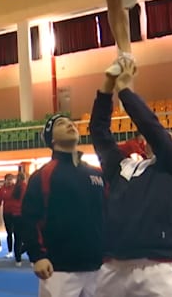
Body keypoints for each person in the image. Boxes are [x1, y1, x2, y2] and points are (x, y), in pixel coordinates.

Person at [90, 59, 172, 297]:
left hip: (156, 267)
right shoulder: (123, 168)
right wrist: (107, 87)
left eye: (169, 137)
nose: (160, 138)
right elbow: (99, 133)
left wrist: (125, 90)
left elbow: (151, 127)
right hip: (113, 264)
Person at [22, 114, 105, 297]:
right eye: (61, 123)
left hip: (98, 267)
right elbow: (29, 219)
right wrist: (38, 256)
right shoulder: (43, 175)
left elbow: (107, 215)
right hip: (58, 269)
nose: (70, 125)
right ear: (51, 139)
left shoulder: (97, 174)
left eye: (71, 123)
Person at [9, 172, 28, 267]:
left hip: (14, 215)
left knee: (17, 238)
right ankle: (24, 253)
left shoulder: (14, 188)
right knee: (28, 237)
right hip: (23, 215)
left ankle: (18, 259)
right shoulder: (25, 187)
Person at [0, 173, 17, 258]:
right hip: (7, 213)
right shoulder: (1, 190)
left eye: (11, 180)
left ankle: (17, 252)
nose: (9, 181)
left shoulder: (17, 188)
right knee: (9, 233)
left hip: (16, 213)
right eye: (8, 180)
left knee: (17, 233)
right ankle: (10, 251)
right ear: (5, 180)